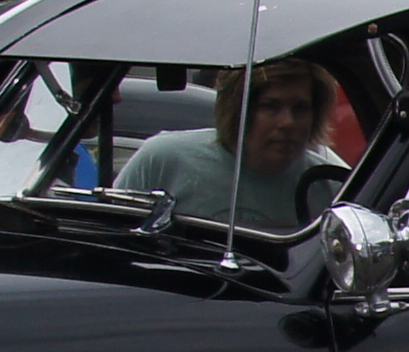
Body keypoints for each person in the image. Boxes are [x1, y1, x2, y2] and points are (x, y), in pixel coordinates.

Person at [122, 56, 347, 232]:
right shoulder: (163, 160)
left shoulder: (329, 187)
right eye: (270, 107)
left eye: (300, 108)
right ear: (238, 110)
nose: (287, 122)